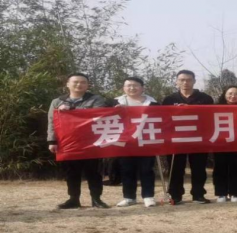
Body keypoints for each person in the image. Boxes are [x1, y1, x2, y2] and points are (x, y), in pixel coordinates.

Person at [47, 72, 110, 209]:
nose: (79, 84)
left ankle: (96, 199)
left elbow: (97, 114)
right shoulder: (57, 102)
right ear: (67, 84)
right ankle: (73, 199)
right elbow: (52, 122)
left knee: (94, 172)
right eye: (75, 82)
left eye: (83, 82)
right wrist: (52, 141)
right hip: (68, 142)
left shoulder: (96, 99)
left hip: (91, 141)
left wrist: (71, 109)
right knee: (71, 172)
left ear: (87, 85)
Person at [161, 70, 214, 204]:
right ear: (177, 82)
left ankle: (198, 194)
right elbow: (163, 119)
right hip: (176, 139)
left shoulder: (205, 98)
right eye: (182, 80)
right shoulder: (169, 99)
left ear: (194, 81)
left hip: (198, 138)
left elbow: (210, 116)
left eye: (189, 80)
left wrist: (190, 108)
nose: (185, 82)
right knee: (175, 168)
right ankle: (175, 195)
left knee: (199, 168)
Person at [115, 77, 158, 208]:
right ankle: (129, 197)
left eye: (135, 85)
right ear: (123, 88)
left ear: (142, 88)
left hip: (147, 140)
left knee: (147, 169)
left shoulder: (153, 103)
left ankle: (148, 196)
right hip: (125, 141)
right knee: (127, 169)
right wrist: (116, 109)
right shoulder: (115, 102)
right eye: (128, 85)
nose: (132, 88)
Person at [213, 86, 237, 203]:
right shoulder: (215, 108)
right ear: (224, 95)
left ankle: (236, 192)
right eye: (230, 93)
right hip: (220, 142)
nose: (233, 96)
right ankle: (221, 193)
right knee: (220, 168)